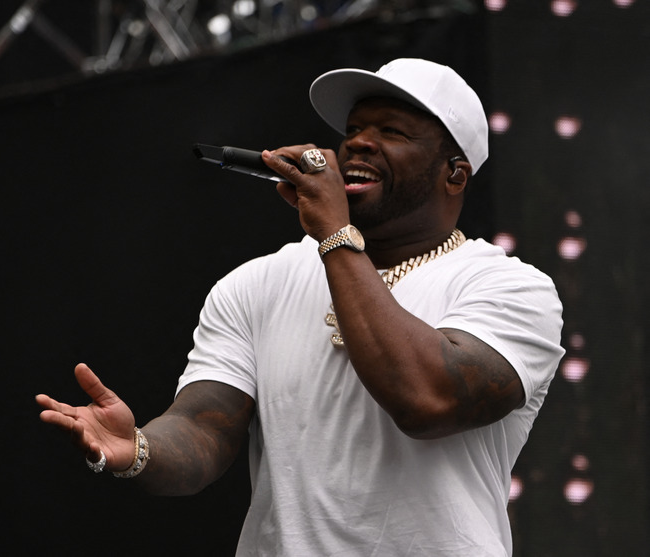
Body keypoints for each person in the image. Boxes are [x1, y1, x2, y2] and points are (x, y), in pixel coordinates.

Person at [36, 58, 564, 556]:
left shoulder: (511, 289)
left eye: (392, 133)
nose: (358, 144)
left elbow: (426, 400)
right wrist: (140, 449)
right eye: (355, 130)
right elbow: (203, 428)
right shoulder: (258, 283)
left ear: (455, 174)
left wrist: (336, 234)